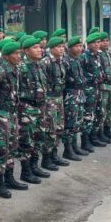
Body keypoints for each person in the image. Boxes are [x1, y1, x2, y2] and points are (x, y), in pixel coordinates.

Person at [0, 40, 25, 199]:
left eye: (19, 53)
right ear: (7, 55)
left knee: (12, 145)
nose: (19, 56)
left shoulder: (14, 68)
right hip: (0, 114)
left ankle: (10, 177)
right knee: (0, 148)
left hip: (11, 113)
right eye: (16, 54)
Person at [17, 36, 51, 184]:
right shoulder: (21, 67)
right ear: (26, 51)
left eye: (40, 47)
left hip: (40, 107)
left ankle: (34, 166)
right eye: (35, 48)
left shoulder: (40, 65)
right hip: (27, 108)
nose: (40, 50)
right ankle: (25, 171)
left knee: (39, 137)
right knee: (26, 140)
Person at [41, 37, 70, 171]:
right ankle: (46, 159)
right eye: (58, 47)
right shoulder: (45, 62)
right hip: (49, 100)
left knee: (59, 128)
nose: (61, 49)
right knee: (50, 129)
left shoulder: (61, 61)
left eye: (63, 47)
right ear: (52, 48)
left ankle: (54, 155)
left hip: (59, 98)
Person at [79, 32, 106, 152]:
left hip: (97, 88)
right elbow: (81, 73)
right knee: (88, 115)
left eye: (98, 42)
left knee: (97, 113)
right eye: (93, 43)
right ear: (88, 45)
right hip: (88, 89)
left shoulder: (98, 56)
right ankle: (85, 141)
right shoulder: (84, 57)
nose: (96, 44)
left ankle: (93, 137)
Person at [62, 37, 86, 160]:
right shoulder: (66, 61)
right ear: (70, 48)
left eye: (80, 46)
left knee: (77, 122)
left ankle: (74, 146)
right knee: (70, 123)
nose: (80, 48)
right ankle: (67, 149)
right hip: (70, 95)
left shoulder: (78, 60)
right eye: (77, 46)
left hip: (79, 94)